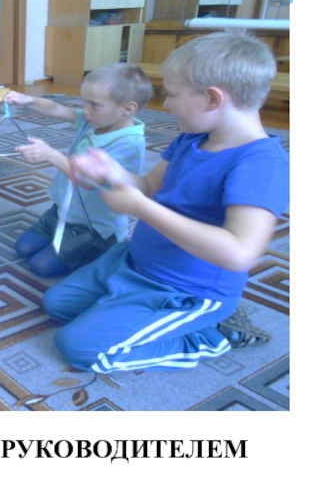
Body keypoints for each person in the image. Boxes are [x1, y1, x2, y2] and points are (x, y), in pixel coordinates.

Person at [42, 30, 290, 372]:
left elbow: (239, 252)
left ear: (213, 99)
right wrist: (112, 171)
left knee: (79, 349)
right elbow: (146, 187)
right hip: (134, 263)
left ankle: (211, 336)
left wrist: (140, 208)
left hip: (186, 288)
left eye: (172, 95)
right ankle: (129, 309)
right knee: (57, 304)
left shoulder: (262, 164)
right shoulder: (191, 138)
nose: (167, 105)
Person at [4, 63, 152, 277]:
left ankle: (107, 250)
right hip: (65, 210)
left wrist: (51, 154)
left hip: (95, 228)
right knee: (23, 247)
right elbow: (56, 109)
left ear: (127, 108)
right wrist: (28, 100)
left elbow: (87, 180)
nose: (85, 110)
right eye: (84, 102)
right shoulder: (95, 121)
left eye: (94, 104)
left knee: (40, 266)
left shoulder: (129, 143)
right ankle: (63, 234)